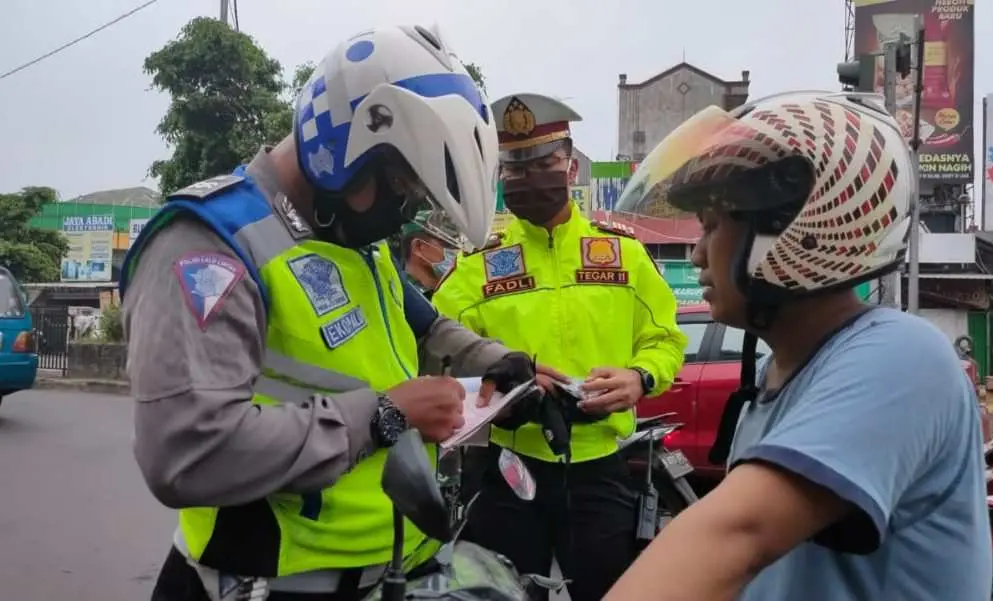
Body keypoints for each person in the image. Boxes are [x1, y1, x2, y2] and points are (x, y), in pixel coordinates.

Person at [119, 26, 561, 601]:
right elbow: (185, 452)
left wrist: (503, 367)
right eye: (401, 187)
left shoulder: (355, 241)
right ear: (344, 150)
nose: (404, 213)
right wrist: (382, 416)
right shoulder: (211, 245)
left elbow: (425, 328)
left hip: (389, 572)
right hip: (261, 585)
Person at [603, 92, 992, 600]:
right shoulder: (774, 379)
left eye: (714, 226)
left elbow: (736, 535)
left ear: (795, 231)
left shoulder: (900, 357)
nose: (697, 254)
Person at [432, 93, 687, 601]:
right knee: (503, 593)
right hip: (507, 469)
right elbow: (432, 353)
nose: (530, 177)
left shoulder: (626, 256)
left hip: (601, 467)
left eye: (543, 162)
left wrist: (641, 377)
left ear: (570, 164)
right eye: (516, 167)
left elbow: (665, 339)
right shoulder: (477, 268)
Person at [390, 211, 459, 299]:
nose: (457, 252)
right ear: (419, 246)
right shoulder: (403, 298)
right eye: (447, 244)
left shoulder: (454, 287)